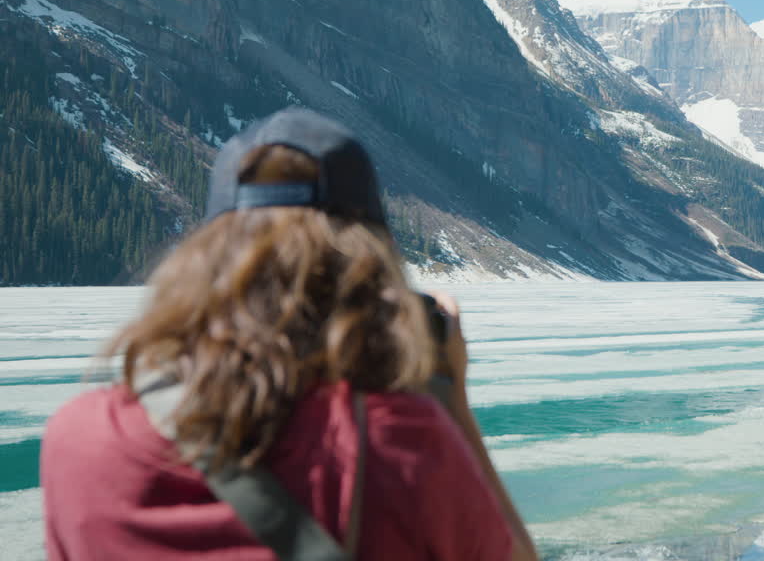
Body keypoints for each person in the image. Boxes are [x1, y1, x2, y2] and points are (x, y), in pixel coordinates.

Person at [40, 108, 537, 560]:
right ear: (368, 269)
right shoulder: (398, 443)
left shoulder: (78, 439)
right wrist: (452, 401)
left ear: (202, 260)